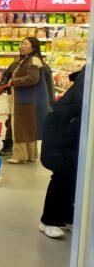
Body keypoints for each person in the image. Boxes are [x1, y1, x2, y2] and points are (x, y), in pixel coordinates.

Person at [39, 67, 85, 238]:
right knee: (63, 175)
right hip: (64, 131)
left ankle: (68, 218)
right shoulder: (86, 79)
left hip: (71, 130)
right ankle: (49, 220)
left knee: (75, 177)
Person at [2, 37, 52, 164]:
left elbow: (32, 78)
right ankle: (30, 155)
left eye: (25, 44)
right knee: (29, 128)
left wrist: (13, 81)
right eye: (21, 43)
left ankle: (19, 155)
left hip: (25, 99)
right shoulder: (29, 59)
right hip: (27, 99)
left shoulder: (33, 60)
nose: (21, 46)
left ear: (33, 47)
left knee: (20, 127)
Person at [0, 59, 20, 157]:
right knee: (10, 122)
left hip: (26, 99)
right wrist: (1, 86)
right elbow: (6, 76)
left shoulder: (35, 63)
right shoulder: (16, 63)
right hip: (13, 97)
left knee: (20, 124)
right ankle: (9, 144)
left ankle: (20, 148)